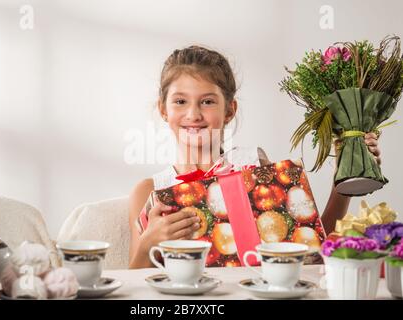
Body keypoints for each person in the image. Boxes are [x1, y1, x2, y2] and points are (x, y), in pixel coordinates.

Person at [128, 45, 381, 269]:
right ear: (163, 109)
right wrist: (147, 243)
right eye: (180, 101)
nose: (193, 114)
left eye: (207, 102)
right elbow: (131, 284)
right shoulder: (150, 191)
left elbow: (312, 248)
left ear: (229, 110)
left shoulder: (254, 167)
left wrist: (344, 182)